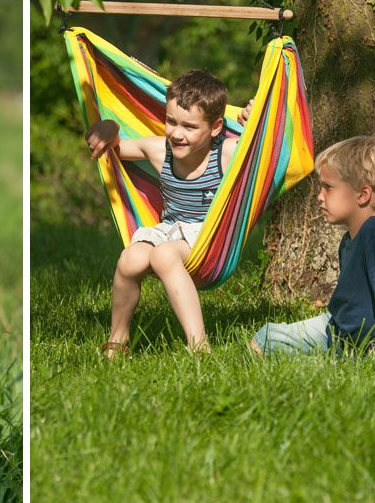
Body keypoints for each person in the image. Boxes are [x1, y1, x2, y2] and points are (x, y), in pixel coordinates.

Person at [86, 69, 253, 355]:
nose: (176, 133)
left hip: (209, 239)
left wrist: (256, 120)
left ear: (214, 128)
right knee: (129, 258)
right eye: (171, 121)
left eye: (189, 127)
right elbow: (115, 148)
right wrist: (110, 127)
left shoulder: (225, 152)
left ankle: (199, 347)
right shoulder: (158, 150)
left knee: (163, 255)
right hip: (169, 230)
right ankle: (117, 340)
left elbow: (265, 151)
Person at [251, 136, 375, 359]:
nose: (319, 197)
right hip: (340, 329)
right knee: (268, 336)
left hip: (352, 340)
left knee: (264, 339)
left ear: (362, 194)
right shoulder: (351, 240)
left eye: (328, 188)